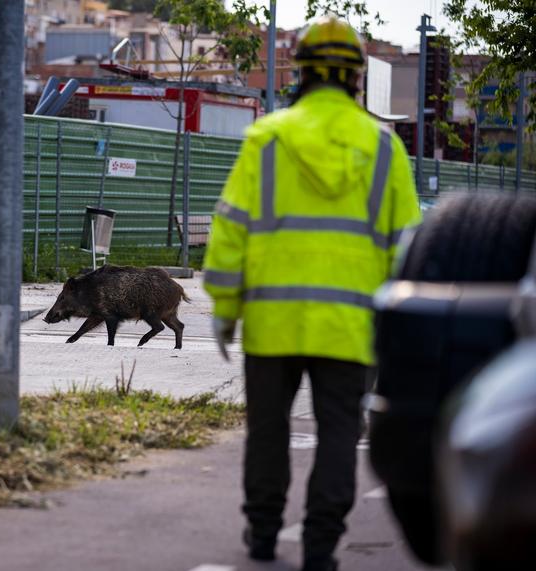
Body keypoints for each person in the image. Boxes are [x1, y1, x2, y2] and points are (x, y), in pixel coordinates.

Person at [202, 15, 421, 571]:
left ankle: (263, 533)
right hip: (351, 328)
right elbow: (406, 249)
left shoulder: (266, 139)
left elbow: (231, 230)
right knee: (339, 436)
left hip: (273, 322)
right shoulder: (384, 149)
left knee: (268, 432)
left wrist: (226, 311)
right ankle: (320, 545)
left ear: (298, 71)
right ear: (355, 79)